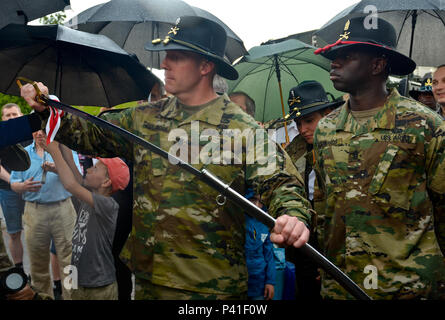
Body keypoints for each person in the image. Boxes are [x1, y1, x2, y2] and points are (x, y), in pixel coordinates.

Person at [21, 16, 313, 300]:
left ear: (205, 65)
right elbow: (90, 135)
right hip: (150, 277)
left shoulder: (241, 128)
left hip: (212, 284)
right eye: (166, 56)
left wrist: (293, 217)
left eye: (175, 57)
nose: (164, 64)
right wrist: (46, 108)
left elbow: (283, 182)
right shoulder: (145, 118)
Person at [313, 16, 445, 299]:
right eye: (334, 57)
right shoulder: (326, 128)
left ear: (377, 64)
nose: (334, 64)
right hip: (341, 284)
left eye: (346, 56)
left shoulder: (425, 126)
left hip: (406, 287)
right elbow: (324, 207)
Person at [44, 140, 129, 300]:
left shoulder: (107, 204)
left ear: (106, 182)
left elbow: (71, 184)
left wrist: (55, 151)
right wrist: (62, 142)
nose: (89, 168)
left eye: (95, 168)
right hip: (79, 280)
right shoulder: (89, 198)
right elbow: (75, 177)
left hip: (99, 287)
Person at [284, 81, 342, 300]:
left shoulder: (342, 148)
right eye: (298, 123)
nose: (302, 129)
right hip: (303, 237)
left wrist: (330, 260)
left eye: (309, 121)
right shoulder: (295, 149)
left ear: (327, 114)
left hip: (332, 243)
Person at [10, 130, 81, 299]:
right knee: (37, 262)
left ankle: (73, 297)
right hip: (34, 211)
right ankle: (43, 297)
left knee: (70, 262)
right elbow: (13, 183)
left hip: (63, 209)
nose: (40, 134)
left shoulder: (65, 150)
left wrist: (57, 169)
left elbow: (79, 178)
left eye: (44, 130)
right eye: (36, 130)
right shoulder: (24, 153)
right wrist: (23, 186)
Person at [0, 103, 30, 272]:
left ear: (21, 115)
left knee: (35, 232)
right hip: (7, 189)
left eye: (14, 114)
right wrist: (14, 182)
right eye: (8, 116)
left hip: (32, 189)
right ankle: (19, 270)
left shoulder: (30, 135)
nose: (11, 118)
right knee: (14, 232)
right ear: (3, 119)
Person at [244, 189, 275, 300]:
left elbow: (269, 255)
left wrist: (270, 282)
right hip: (238, 281)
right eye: (252, 200)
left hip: (258, 284)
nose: (256, 205)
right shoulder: (238, 219)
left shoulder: (264, 223)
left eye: (260, 201)